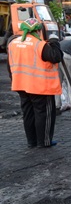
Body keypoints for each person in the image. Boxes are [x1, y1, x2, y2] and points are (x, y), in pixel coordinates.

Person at [8, 18, 64, 148]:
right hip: (40, 86)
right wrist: (55, 42)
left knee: (28, 113)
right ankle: (44, 141)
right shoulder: (39, 44)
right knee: (43, 113)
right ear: (38, 30)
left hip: (20, 84)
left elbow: (10, 65)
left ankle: (31, 141)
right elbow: (56, 57)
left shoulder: (13, 43)